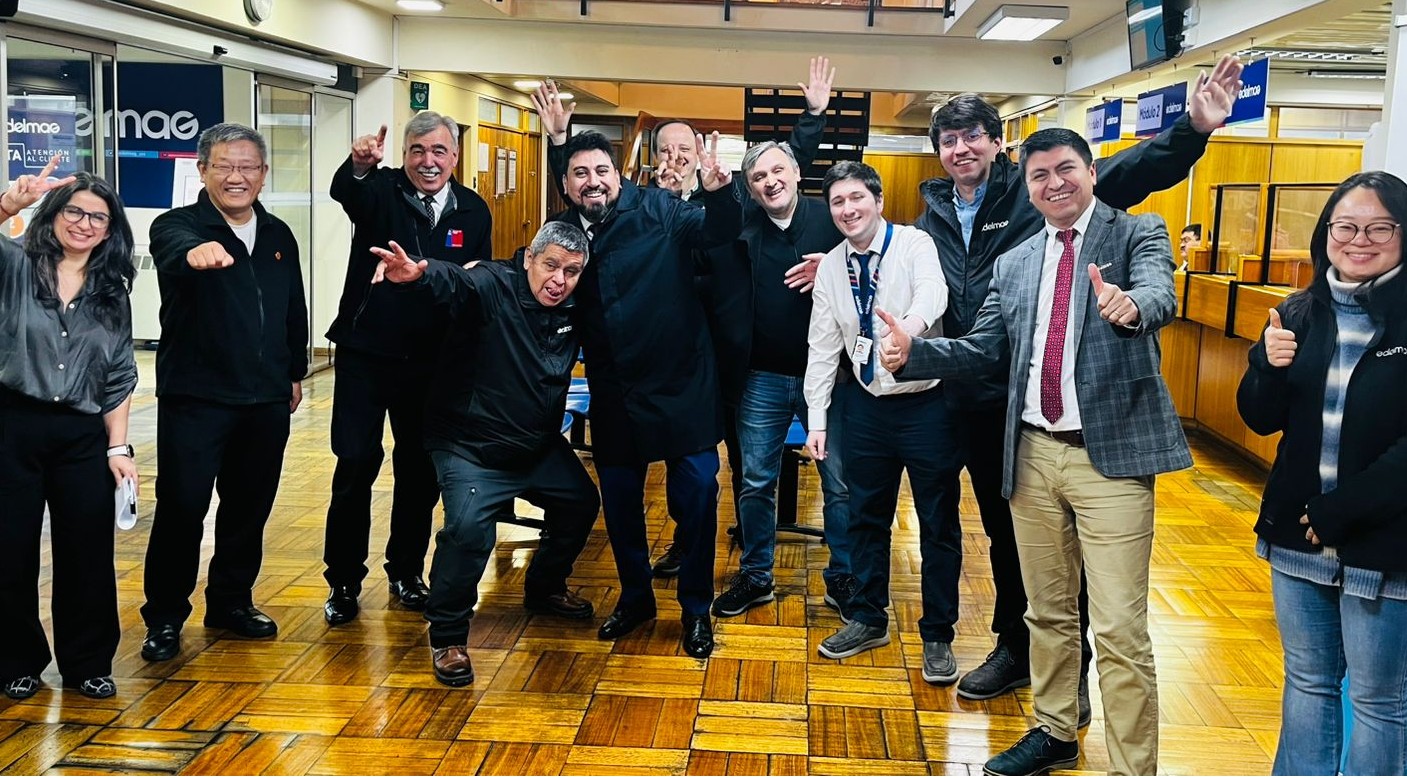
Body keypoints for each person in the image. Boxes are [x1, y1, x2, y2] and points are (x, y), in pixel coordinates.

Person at [913, 54, 1242, 711]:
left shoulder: (1038, 189)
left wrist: (1192, 131)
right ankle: (1021, 650)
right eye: (948, 140)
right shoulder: (933, 215)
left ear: (997, 143)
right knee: (1006, 534)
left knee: (1059, 551)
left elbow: (1129, 171)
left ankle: (1054, 663)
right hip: (972, 394)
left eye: (972, 135)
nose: (961, 148)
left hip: (1038, 402)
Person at [882, 128, 1190, 776]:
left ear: (1091, 173)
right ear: (1025, 187)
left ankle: (1133, 769)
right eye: (1039, 175)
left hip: (1109, 462)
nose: (1054, 184)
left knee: (1119, 630)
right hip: (1031, 455)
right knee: (1046, 612)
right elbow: (985, 347)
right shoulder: (1016, 261)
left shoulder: (1136, 234)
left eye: (1065, 169)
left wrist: (1130, 306)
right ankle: (1055, 729)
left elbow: (1159, 295)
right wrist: (917, 353)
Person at [533, 61, 832, 579]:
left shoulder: (728, 196)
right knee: (693, 471)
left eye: (684, 147)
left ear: (699, 153)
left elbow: (780, 171)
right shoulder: (641, 205)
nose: (675, 155)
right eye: (666, 148)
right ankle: (684, 544)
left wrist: (813, 117)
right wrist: (560, 140)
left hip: (728, 354)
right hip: (664, 356)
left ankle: (741, 550)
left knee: (735, 464)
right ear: (653, 159)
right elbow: (585, 196)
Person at [369, 221, 600, 688]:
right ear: (529, 258)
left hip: (535, 443)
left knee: (580, 503)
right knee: (469, 530)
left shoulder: (575, 304)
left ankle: (544, 587)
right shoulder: (494, 284)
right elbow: (458, 281)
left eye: (572, 271)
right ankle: (448, 636)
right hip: (470, 444)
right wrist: (419, 275)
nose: (559, 280)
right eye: (550, 265)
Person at [542, 128, 740, 659]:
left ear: (618, 174)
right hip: (615, 391)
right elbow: (533, 275)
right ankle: (636, 598)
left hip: (682, 384)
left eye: (601, 171)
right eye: (580, 174)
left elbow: (718, 233)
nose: (593, 181)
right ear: (567, 184)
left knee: (698, 496)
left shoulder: (661, 209)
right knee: (621, 504)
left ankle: (696, 609)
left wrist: (719, 192)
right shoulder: (563, 232)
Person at [1237, 171, 1407, 776]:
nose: (1359, 240)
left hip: (1383, 541)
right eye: (1346, 226)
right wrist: (1266, 365)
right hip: (1298, 536)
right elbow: (1261, 419)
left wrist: (1344, 510)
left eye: (1379, 228)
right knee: (1307, 682)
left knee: (1379, 700)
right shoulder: (1300, 312)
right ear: (1325, 233)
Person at [140, 122, 309, 662]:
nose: (237, 176)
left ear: (263, 173)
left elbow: (293, 306)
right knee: (182, 508)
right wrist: (197, 252)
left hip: (265, 398)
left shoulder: (278, 233)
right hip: (197, 398)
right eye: (224, 166)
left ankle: (231, 602)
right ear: (203, 170)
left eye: (247, 167)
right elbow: (173, 248)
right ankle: (165, 616)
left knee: (248, 508)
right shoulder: (178, 225)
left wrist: (294, 371)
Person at [322, 111, 493, 626]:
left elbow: (475, 283)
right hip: (366, 354)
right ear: (403, 155)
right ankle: (343, 581)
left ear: (455, 156)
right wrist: (358, 166)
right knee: (355, 462)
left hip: (432, 361)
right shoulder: (380, 190)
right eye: (417, 150)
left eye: (439, 151)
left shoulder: (473, 210)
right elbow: (346, 192)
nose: (428, 161)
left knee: (419, 472)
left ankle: (406, 571)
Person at [804, 161, 962, 684]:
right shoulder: (832, 266)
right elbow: (822, 345)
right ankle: (868, 616)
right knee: (865, 517)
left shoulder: (914, 244)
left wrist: (908, 332)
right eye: (838, 202)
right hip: (866, 407)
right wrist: (818, 418)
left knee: (938, 524)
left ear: (878, 201)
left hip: (926, 406)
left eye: (857, 198)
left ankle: (938, 634)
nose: (848, 209)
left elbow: (933, 293)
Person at [0, 161, 137, 700]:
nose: (84, 224)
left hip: (82, 434)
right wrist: (8, 205)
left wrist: (118, 446)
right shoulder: (16, 265)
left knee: (87, 553)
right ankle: (16, 660)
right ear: (54, 214)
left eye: (98, 218)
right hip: (14, 424)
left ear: (109, 230)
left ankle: (87, 664)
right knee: (10, 549)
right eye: (75, 212)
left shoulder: (111, 289)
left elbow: (119, 372)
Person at [711, 138, 855, 619]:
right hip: (761, 378)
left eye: (778, 171)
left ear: (796, 172)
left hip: (829, 377)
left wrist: (833, 270)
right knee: (755, 481)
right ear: (750, 189)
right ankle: (756, 575)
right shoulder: (743, 225)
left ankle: (843, 576)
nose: (770, 182)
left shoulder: (832, 217)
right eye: (758, 177)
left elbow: (874, 261)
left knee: (839, 482)